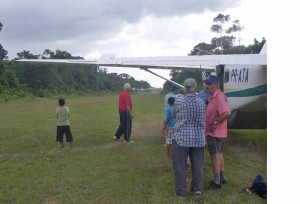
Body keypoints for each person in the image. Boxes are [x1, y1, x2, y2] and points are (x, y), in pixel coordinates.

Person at [171, 78, 206, 199]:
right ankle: (197, 190)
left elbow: (173, 115)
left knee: (180, 166)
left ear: (185, 87)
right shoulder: (201, 101)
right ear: (195, 87)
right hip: (198, 138)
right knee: (198, 165)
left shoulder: (179, 100)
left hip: (181, 138)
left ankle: (181, 193)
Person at [204, 75, 231, 189]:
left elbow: (226, 113)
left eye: (209, 84)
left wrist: (215, 123)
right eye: (206, 84)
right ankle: (222, 178)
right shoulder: (214, 96)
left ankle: (216, 182)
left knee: (214, 155)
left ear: (215, 85)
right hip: (218, 133)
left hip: (215, 133)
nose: (206, 86)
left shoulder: (219, 96)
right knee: (219, 154)